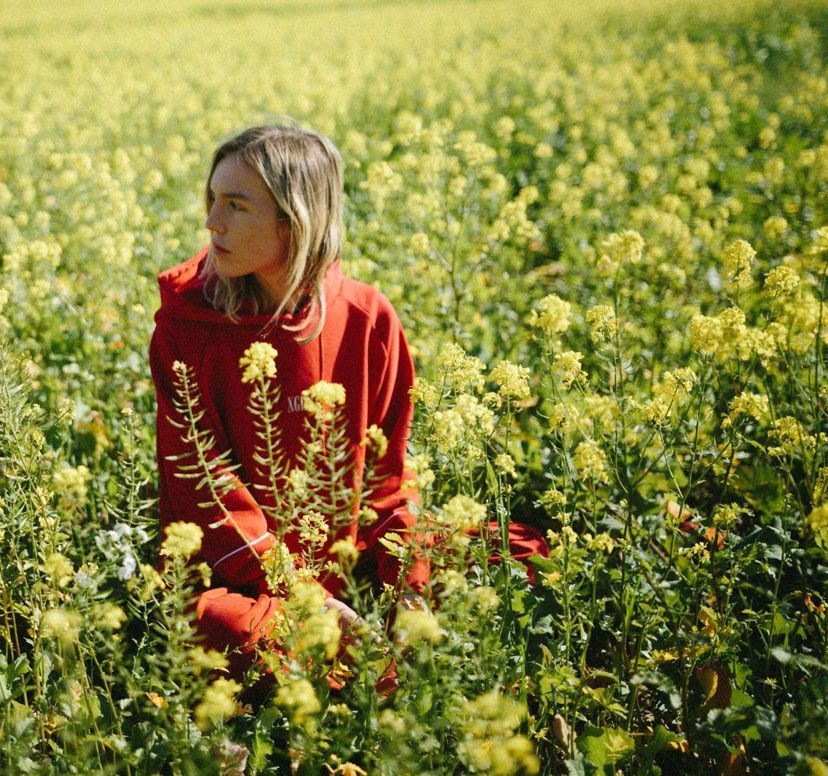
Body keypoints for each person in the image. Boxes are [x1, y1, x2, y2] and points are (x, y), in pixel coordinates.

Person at [149, 123, 545, 682]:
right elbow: (202, 490)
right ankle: (364, 666)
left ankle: (368, 653)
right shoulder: (186, 330)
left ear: (296, 220)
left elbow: (389, 475)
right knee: (226, 627)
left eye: (235, 205)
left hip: (349, 556)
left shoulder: (366, 317)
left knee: (524, 558)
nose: (211, 222)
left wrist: (408, 587)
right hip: (244, 576)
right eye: (213, 199)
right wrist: (300, 596)